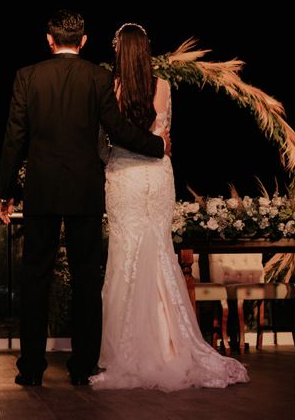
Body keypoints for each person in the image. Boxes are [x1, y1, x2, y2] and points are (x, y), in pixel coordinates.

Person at [0, 10, 170, 387]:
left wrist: (5, 193)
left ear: (49, 39)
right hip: (85, 191)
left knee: (35, 280)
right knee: (86, 281)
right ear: (84, 41)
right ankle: (83, 367)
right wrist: (157, 146)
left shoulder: (27, 77)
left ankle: (30, 369)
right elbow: (118, 129)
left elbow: (14, 139)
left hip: (41, 192)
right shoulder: (99, 77)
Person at [89, 23, 249, 391]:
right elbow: (164, 133)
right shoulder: (162, 86)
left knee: (125, 259)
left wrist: (111, 160)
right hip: (158, 177)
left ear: (118, 51)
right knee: (160, 252)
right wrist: (157, 147)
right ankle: (171, 345)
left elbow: (103, 143)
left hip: (124, 179)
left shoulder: (109, 88)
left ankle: (126, 353)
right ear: (146, 51)